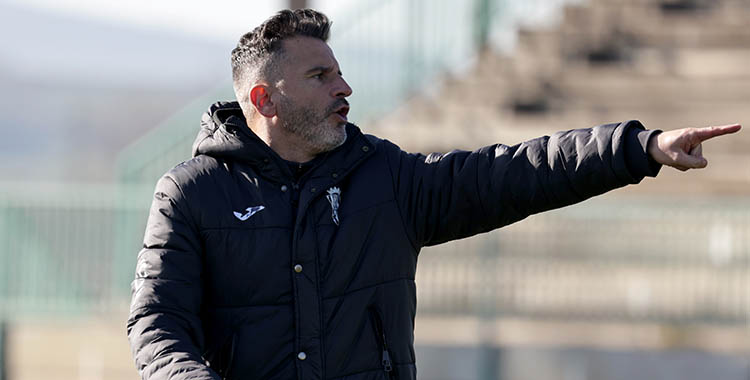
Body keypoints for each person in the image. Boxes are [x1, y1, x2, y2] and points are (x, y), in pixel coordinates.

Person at [126, 8, 741, 380]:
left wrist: (636, 148)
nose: (345, 87)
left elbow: (515, 172)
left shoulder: (387, 179)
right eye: (320, 76)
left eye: (340, 71)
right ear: (264, 99)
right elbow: (157, 321)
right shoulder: (191, 194)